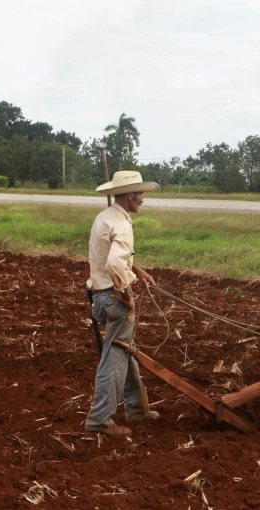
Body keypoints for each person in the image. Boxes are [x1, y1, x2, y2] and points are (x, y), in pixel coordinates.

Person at [84, 171, 160, 437]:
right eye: (139, 195)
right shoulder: (122, 224)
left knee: (124, 350)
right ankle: (99, 420)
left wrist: (137, 271)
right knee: (113, 360)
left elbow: (114, 255)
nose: (142, 200)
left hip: (100, 296)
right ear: (129, 196)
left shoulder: (106, 217)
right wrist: (126, 293)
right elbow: (115, 263)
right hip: (115, 298)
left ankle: (137, 409)